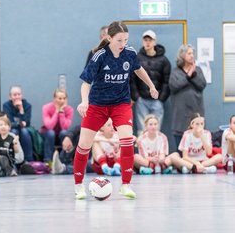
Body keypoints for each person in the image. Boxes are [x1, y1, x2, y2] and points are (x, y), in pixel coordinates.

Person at [73, 21, 159, 200]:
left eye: (126, 40)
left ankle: (125, 185)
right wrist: (84, 101)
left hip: (120, 104)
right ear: (109, 38)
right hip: (97, 105)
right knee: (84, 146)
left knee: (127, 141)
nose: (123, 44)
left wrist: (151, 86)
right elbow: (86, 83)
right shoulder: (99, 56)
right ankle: (79, 186)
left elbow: (139, 69)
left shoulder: (130, 53)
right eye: (119, 40)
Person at [130, 30, 171, 134]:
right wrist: (136, 97)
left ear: (154, 42)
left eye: (150, 40)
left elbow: (167, 81)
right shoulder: (137, 58)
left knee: (156, 130)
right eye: (145, 40)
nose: (147, 42)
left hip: (157, 101)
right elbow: (132, 79)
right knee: (142, 130)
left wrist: (161, 98)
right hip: (142, 100)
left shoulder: (164, 60)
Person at [169, 44, 206, 154]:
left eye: (192, 53)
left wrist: (193, 74)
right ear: (182, 56)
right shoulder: (175, 72)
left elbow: (202, 85)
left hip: (196, 111)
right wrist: (188, 75)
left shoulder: (198, 70)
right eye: (189, 53)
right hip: (180, 114)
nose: (192, 56)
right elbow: (174, 86)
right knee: (180, 148)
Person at [41, 89, 74, 163]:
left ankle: (65, 160)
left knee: (64, 133)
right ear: (54, 99)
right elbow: (50, 126)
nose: (62, 101)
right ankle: (48, 161)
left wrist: (61, 112)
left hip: (60, 135)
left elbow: (65, 127)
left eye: (64, 98)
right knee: (51, 133)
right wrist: (56, 112)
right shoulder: (46, 108)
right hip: (47, 134)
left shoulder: (69, 110)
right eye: (59, 98)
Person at [3, 86, 33, 162]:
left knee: (24, 132)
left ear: (21, 95)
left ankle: (28, 160)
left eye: (19, 94)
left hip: (24, 129)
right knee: (14, 132)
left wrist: (21, 110)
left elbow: (27, 122)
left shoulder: (27, 106)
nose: (17, 97)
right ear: (10, 97)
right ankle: (14, 159)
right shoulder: (6, 106)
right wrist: (20, 123)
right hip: (13, 129)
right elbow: (9, 123)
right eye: (14, 95)